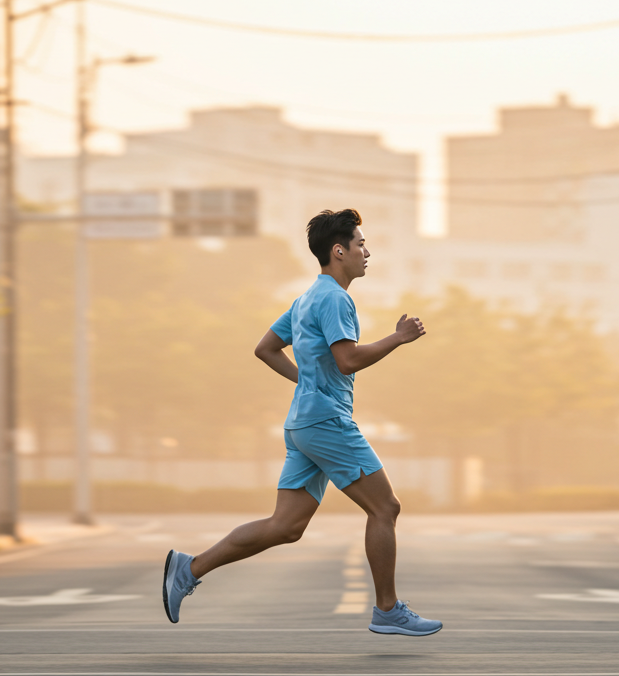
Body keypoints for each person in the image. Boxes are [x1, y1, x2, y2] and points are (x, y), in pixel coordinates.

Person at [162, 208, 442, 636]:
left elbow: (265, 348)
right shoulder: (335, 299)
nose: (367, 252)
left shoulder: (307, 298)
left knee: (286, 526)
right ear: (339, 251)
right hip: (326, 422)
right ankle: (387, 610)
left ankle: (189, 569)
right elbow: (347, 360)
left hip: (304, 422)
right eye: (361, 244)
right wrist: (397, 338)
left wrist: (308, 384)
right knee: (385, 507)